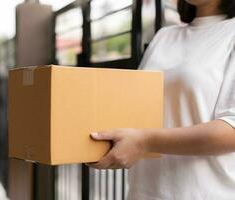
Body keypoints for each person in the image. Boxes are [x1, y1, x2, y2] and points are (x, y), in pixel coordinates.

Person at [88, 0, 235, 199]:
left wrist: (144, 142)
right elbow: (136, 107)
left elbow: (231, 130)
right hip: (143, 192)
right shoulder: (164, 36)